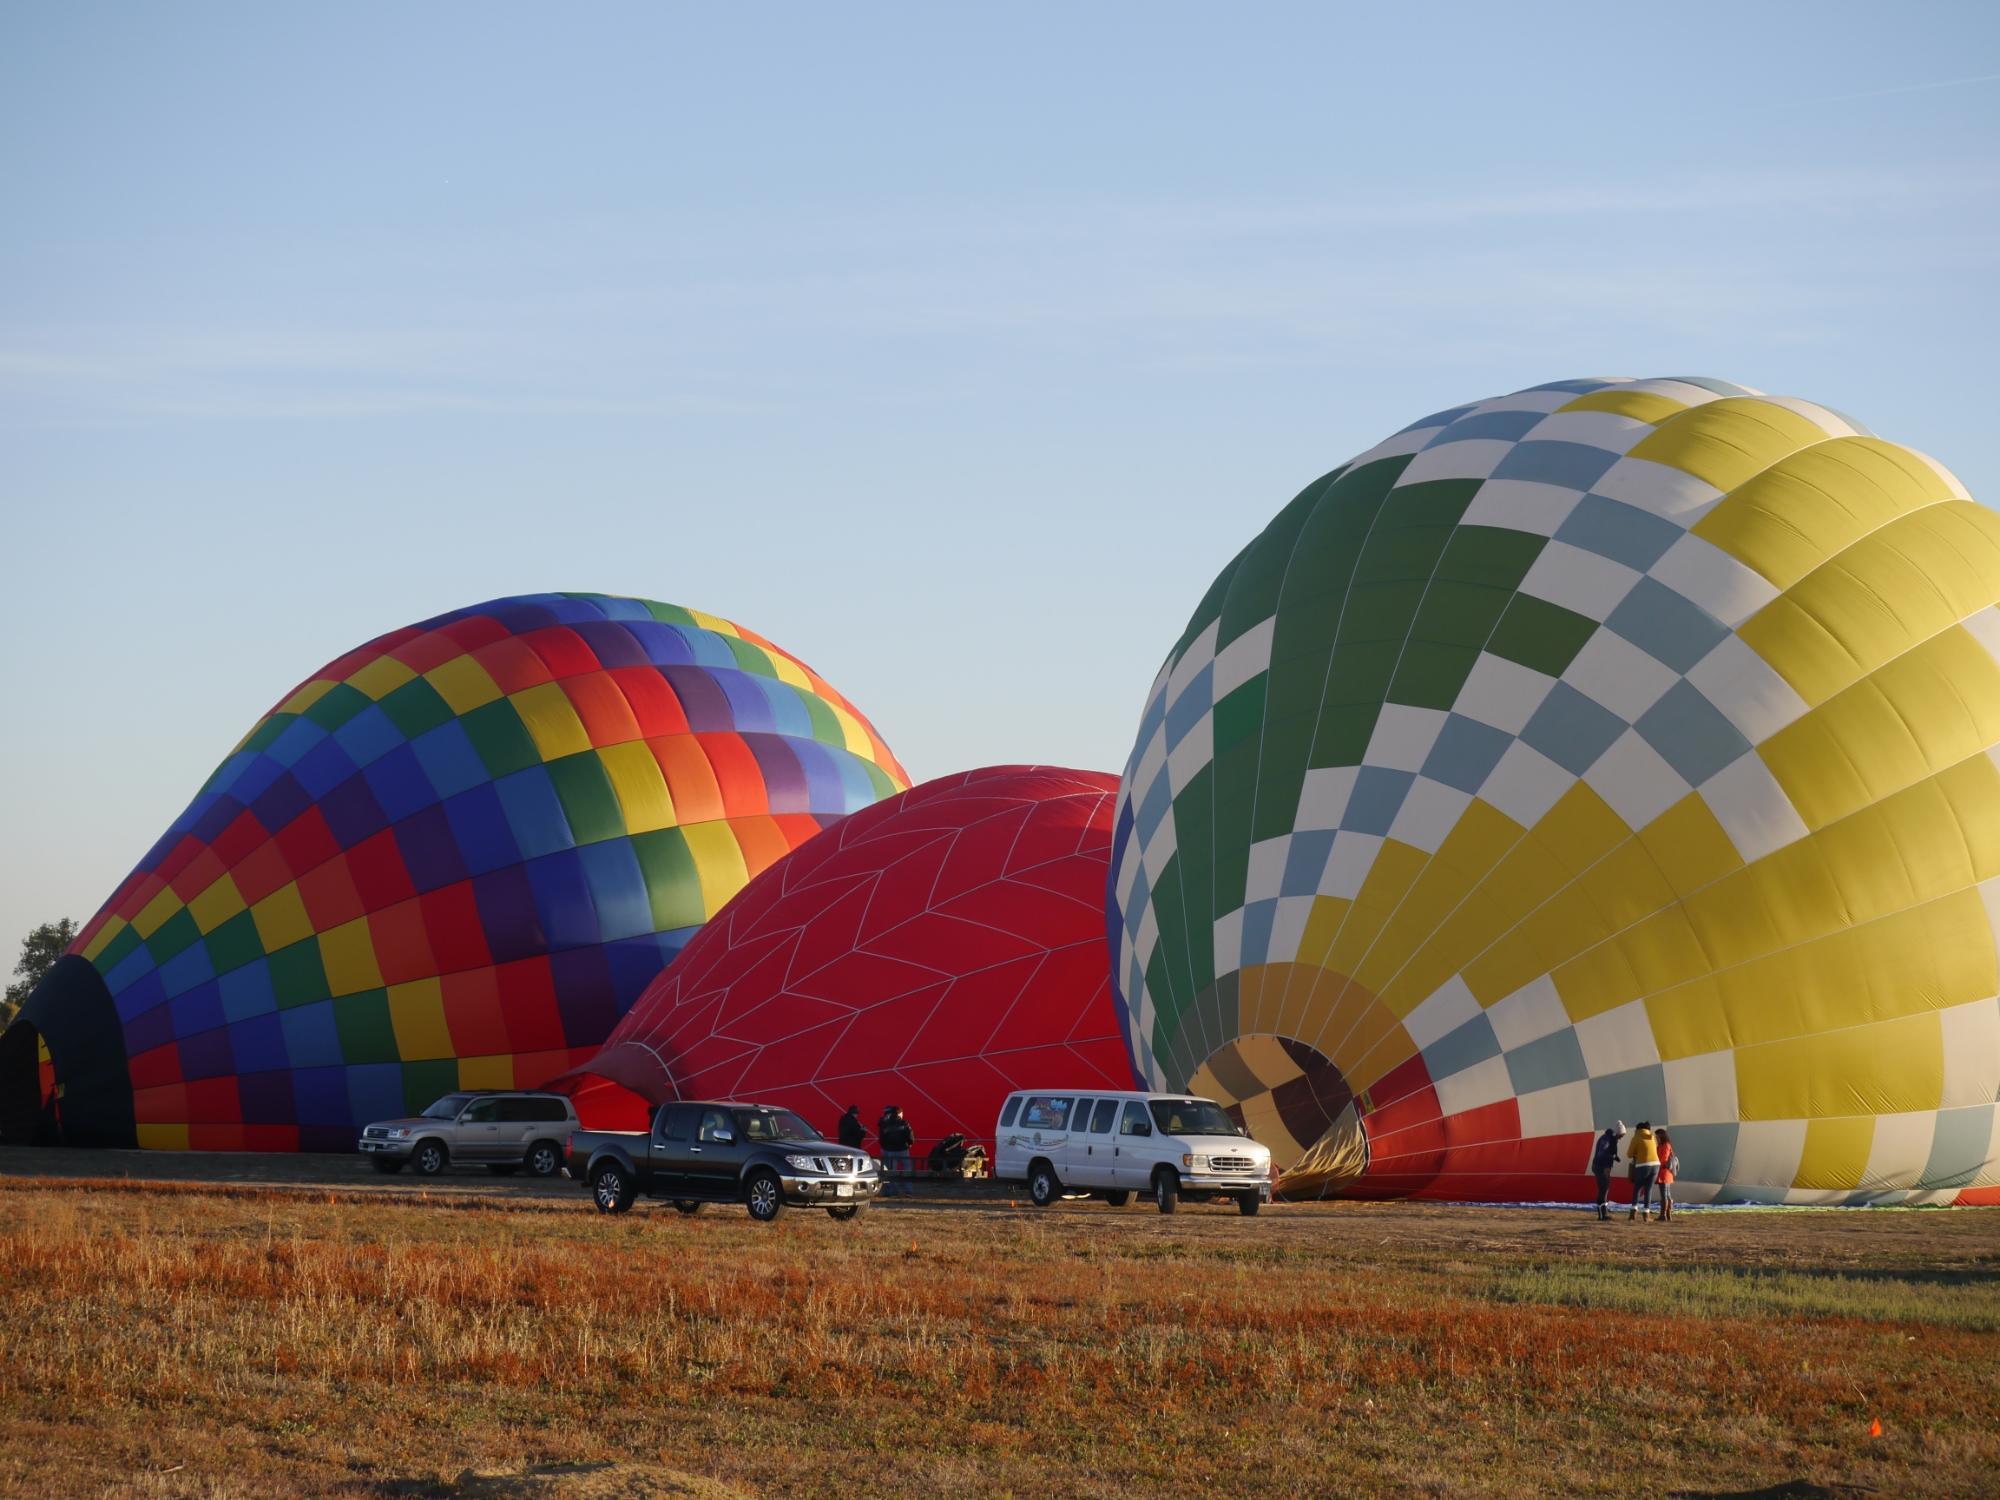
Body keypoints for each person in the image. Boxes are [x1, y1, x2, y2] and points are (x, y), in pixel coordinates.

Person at [1626, 1120, 1660, 1222]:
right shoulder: (1653, 1137)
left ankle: (1633, 1213)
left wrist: (1637, 1153)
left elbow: (1629, 1154)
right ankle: (1646, 1215)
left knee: (1637, 1188)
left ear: (1638, 1129)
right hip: (1656, 1165)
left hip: (1642, 1165)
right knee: (1648, 1189)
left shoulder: (1636, 1137)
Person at [1590, 1121, 1624, 1221]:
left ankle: (1604, 1214)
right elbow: (1601, 1153)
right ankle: (1602, 1215)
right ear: (1617, 1133)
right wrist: (1612, 1156)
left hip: (1603, 1167)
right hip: (1600, 1167)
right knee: (1603, 1190)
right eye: (1621, 1135)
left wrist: (1615, 1157)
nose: (1621, 1137)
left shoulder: (1611, 1139)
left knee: (1605, 1189)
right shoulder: (1606, 1139)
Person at [879, 1105, 915, 1197]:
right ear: (899, 1113)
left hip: (890, 1151)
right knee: (907, 1170)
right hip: (903, 1149)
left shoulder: (886, 1124)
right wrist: (910, 1143)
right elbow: (910, 1135)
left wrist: (886, 1147)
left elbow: (882, 1139)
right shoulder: (904, 1123)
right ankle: (908, 1191)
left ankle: (892, 1192)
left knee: (892, 1172)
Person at [1655, 1128, 1678, 1222]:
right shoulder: (1664, 1145)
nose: (1656, 1138)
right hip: (1666, 1173)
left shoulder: (1665, 1146)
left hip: (1664, 1173)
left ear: (1661, 1136)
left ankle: (1663, 1215)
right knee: (1667, 1194)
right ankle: (1668, 1215)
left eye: (1657, 1136)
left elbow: (1663, 1159)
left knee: (1664, 1194)